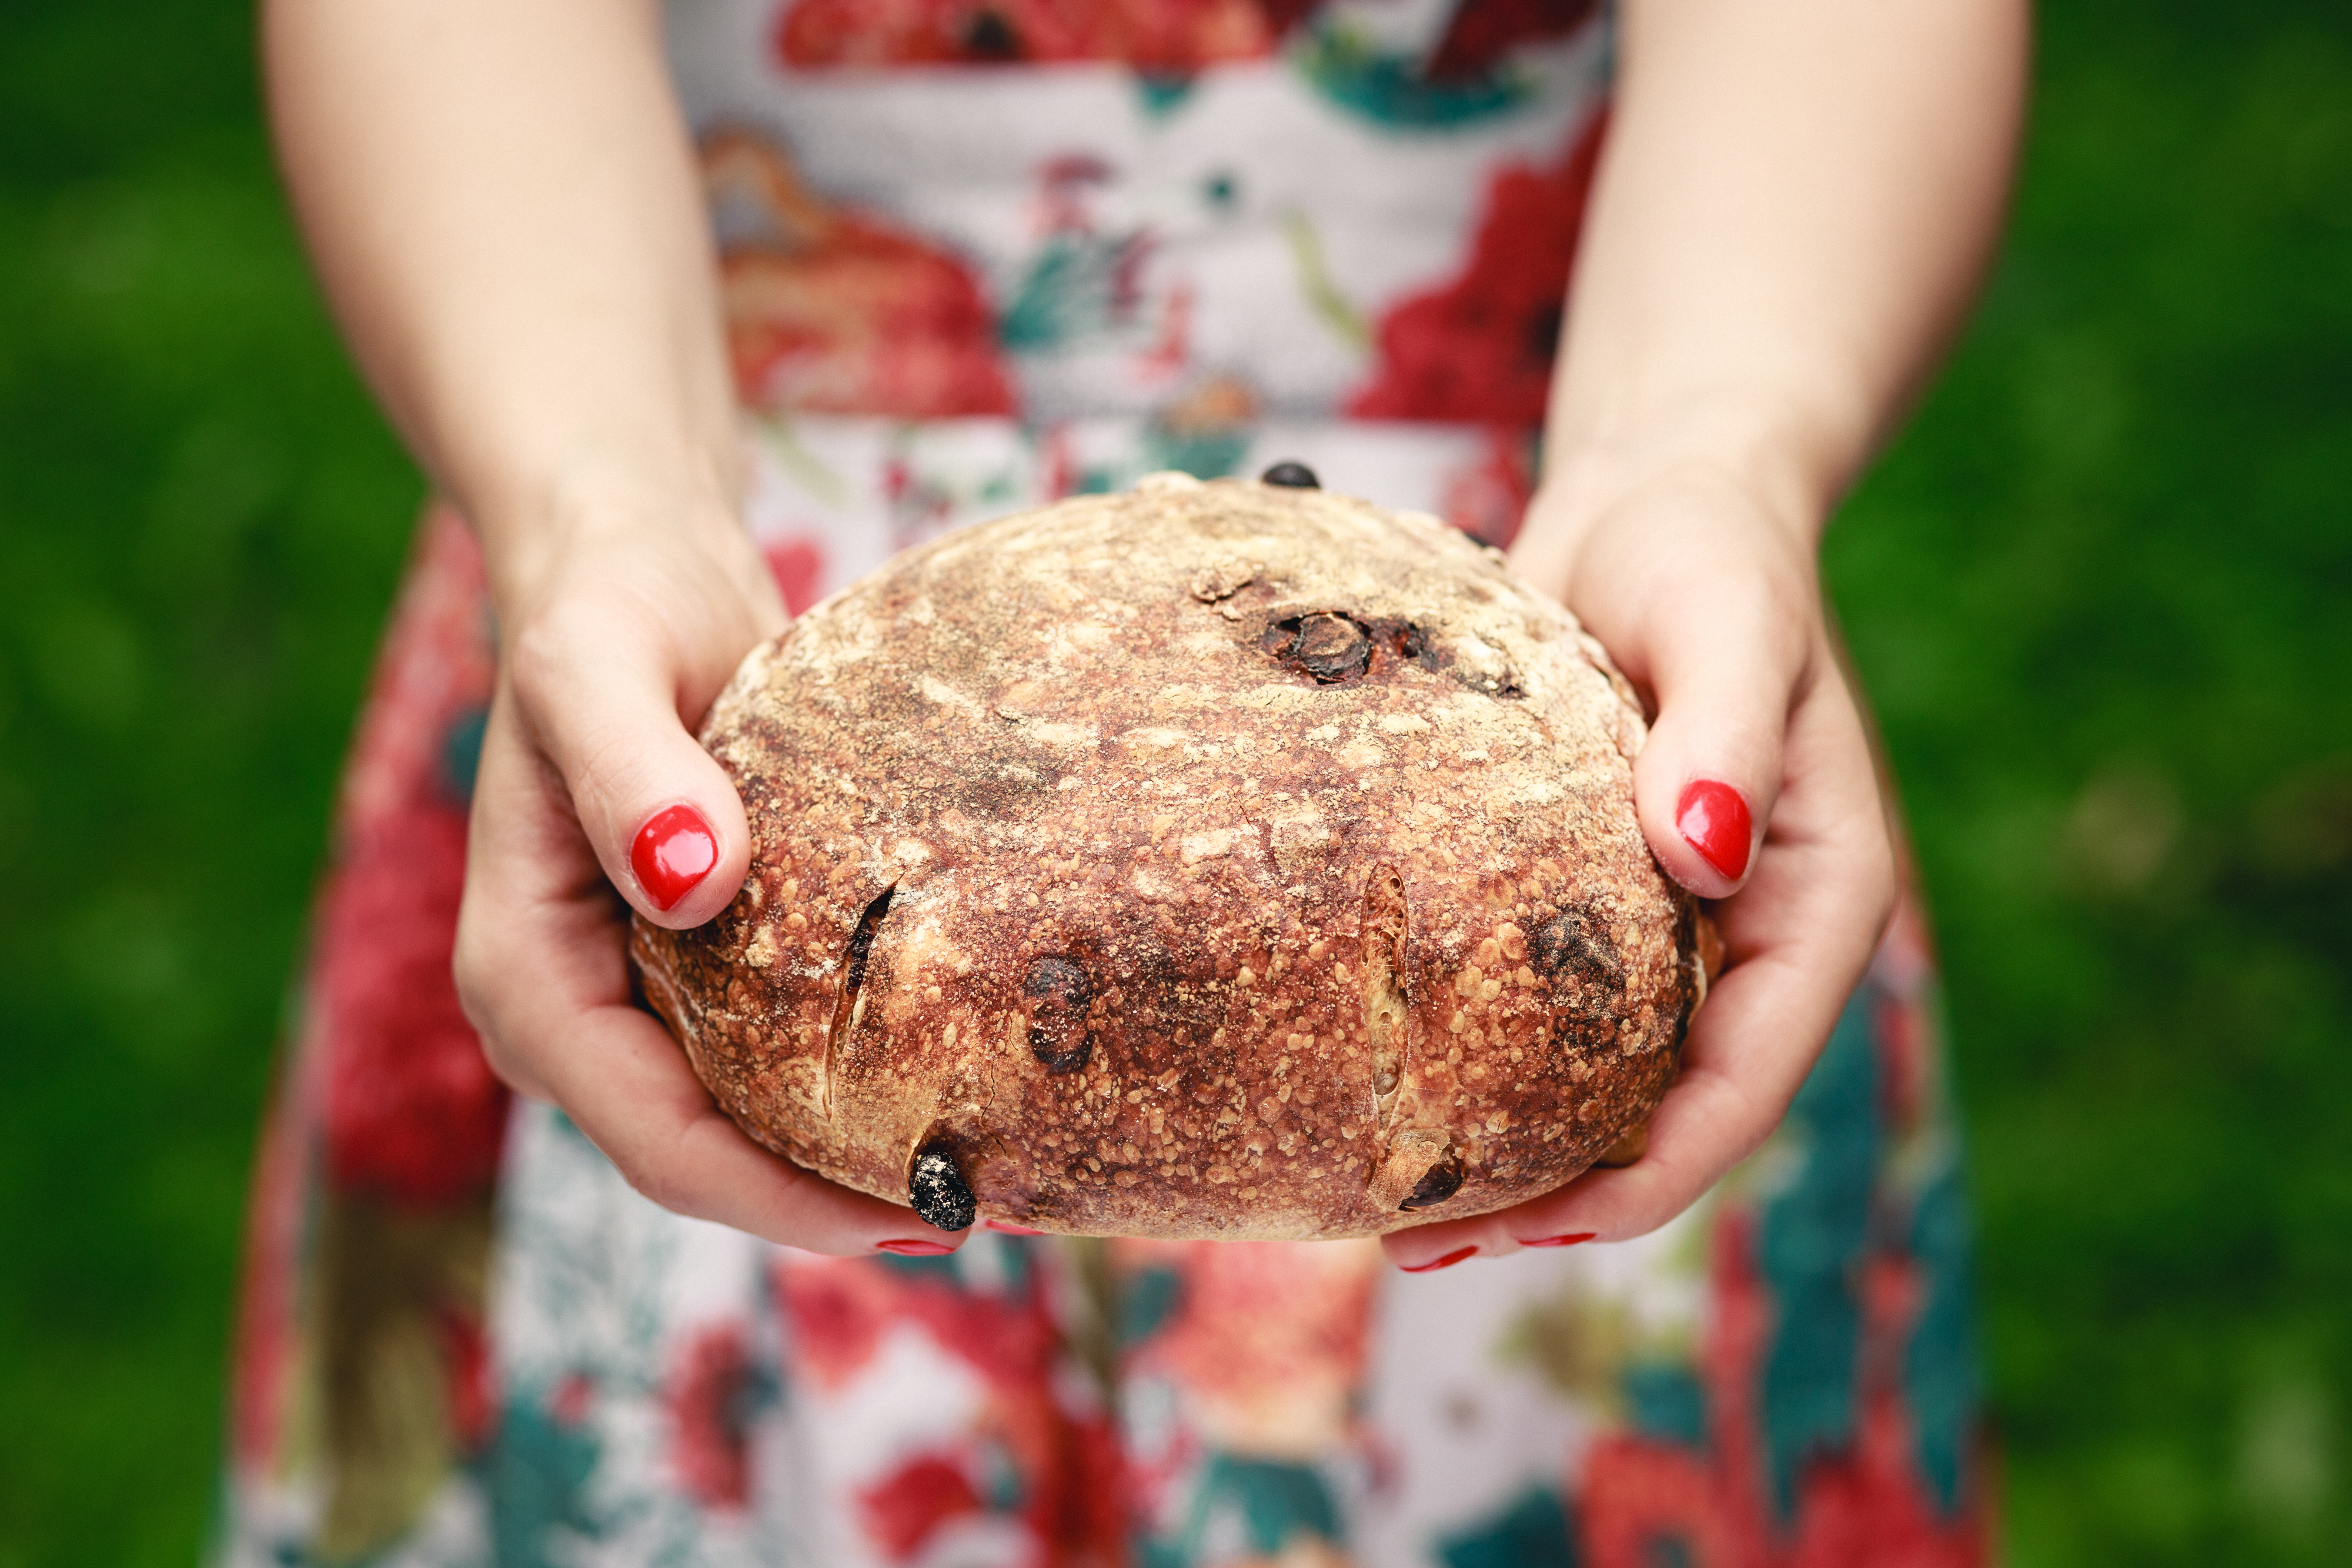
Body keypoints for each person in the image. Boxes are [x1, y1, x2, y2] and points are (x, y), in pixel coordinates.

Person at [217, 1, 2026, 1563]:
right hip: (713, 648)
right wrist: (592, 507)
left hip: (1515, 688)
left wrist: (1708, 460)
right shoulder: (678, 663)